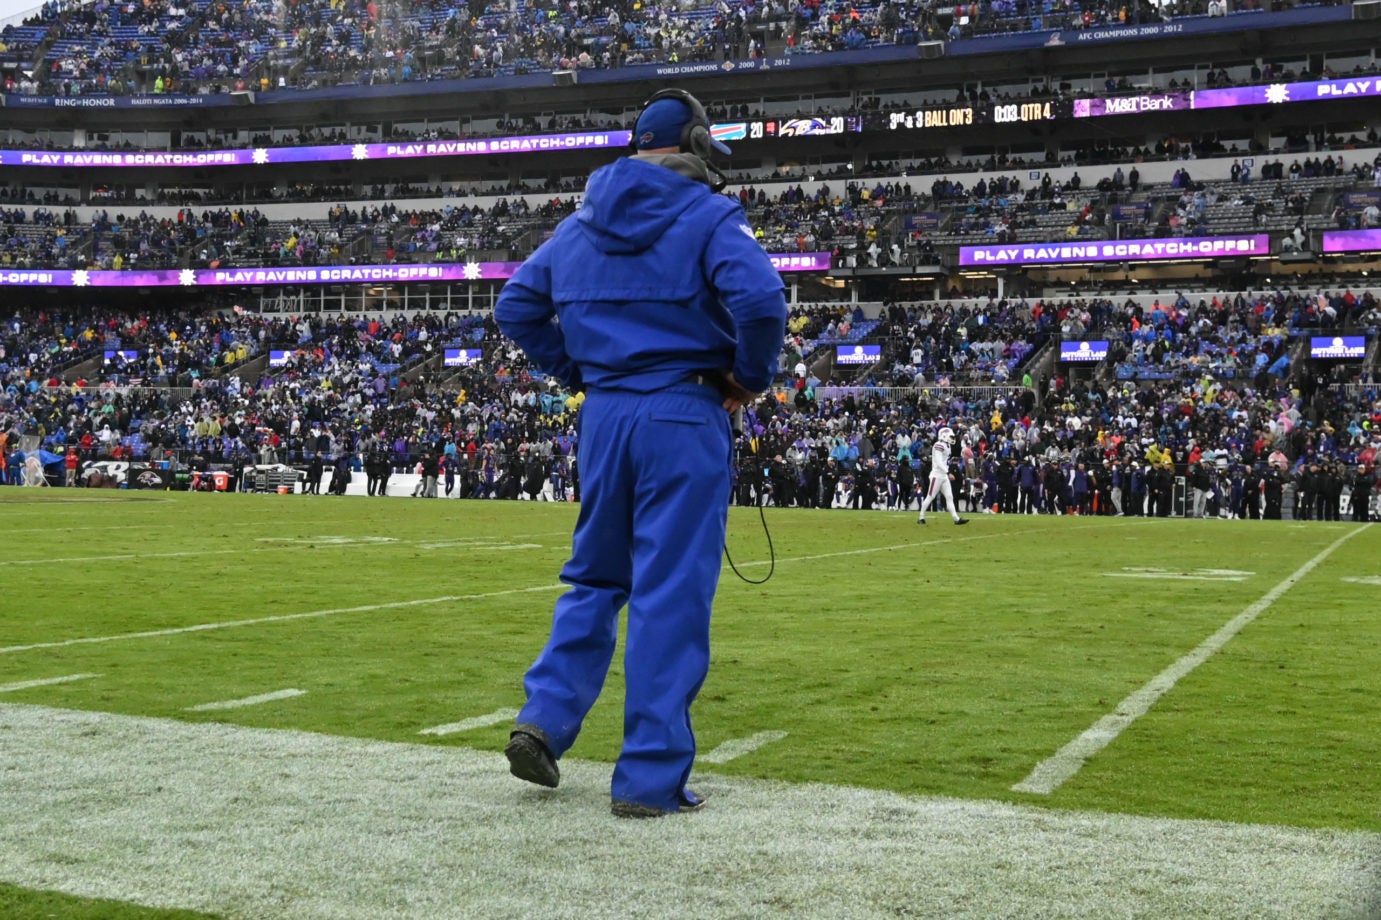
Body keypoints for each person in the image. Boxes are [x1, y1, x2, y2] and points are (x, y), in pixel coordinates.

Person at [494, 87, 788, 819]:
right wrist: (746, 378)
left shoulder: (577, 225)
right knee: (668, 593)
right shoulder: (709, 214)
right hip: (683, 412)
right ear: (692, 145)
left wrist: (580, 375)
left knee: (593, 578)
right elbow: (760, 303)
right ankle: (648, 782)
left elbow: (515, 307)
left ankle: (543, 718)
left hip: (605, 415)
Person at [916, 427, 969, 526]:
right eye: (950, 436)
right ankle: (921, 517)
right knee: (930, 497)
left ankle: (956, 519)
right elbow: (939, 462)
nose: (952, 438)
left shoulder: (947, 445)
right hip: (936, 475)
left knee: (949, 497)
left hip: (943, 475)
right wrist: (948, 472)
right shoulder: (938, 445)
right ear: (944, 436)